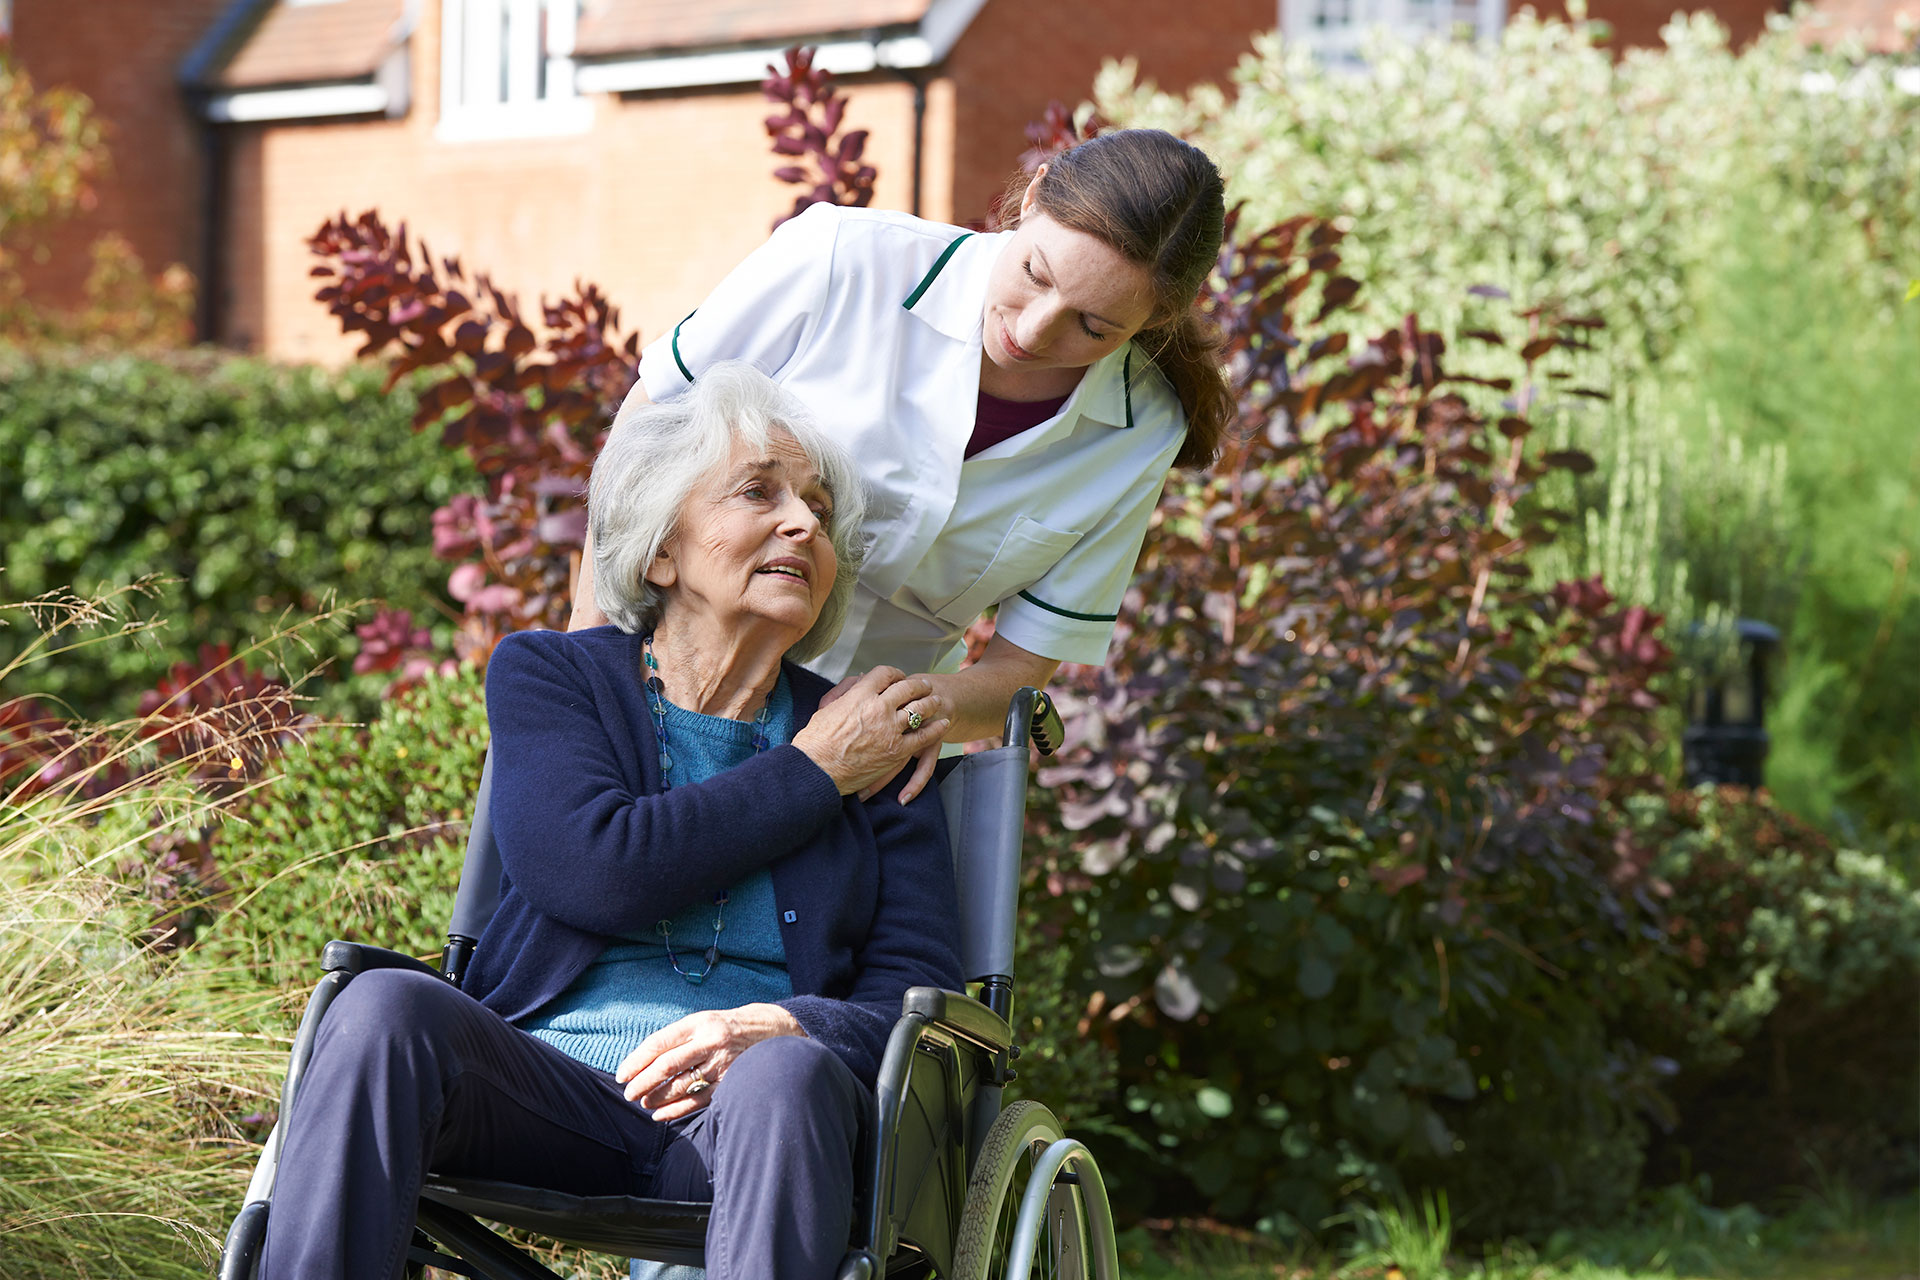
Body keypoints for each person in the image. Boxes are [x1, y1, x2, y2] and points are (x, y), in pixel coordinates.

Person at [259, 364, 962, 1280]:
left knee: (783, 1078)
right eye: (761, 492)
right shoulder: (555, 678)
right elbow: (591, 869)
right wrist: (813, 772)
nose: (804, 524)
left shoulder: (874, 741)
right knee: (384, 1009)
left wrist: (788, 1029)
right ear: (662, 552)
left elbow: (916, 1003)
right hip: (544, 1097)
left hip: (750, 1126)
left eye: (820, 512)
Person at [570, 129, 1231, 802]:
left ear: (1157, 319)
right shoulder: (841, 258)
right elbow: (637, 457)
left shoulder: (1142, 430)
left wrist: (910, 711)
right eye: (1035, 274)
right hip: (660, 704)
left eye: (1093, 327)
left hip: (873, 777)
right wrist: (584, 679)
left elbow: (1020, 672)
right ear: (1032, 197)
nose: (1032, 332)